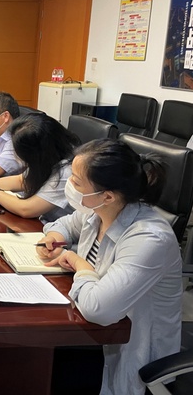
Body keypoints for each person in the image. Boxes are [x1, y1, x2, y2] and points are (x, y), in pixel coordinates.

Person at [37, 139, 182, 395]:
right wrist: (53, 237)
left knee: (41, 368)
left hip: (128, 349)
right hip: (94, 334)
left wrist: (79, 263)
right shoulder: (99, 210)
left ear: (107, 195)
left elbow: (99, 310)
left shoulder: (149, 238)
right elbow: (66, 224)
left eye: (76, 182)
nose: (69, 186)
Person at [0, 113, 78, 222]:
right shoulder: (49, 157)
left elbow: (26, 209)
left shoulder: (67, 171)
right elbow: (21, 180)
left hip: (56, 230)